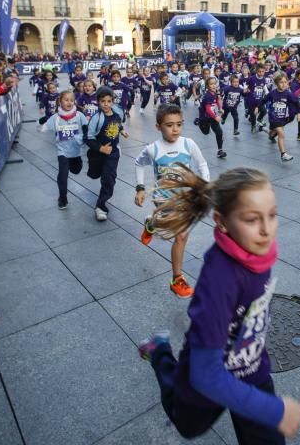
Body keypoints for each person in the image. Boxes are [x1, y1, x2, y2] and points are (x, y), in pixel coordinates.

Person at [138, 166, 300, 445]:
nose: (266, 229)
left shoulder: (258, 248)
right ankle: (160, 353)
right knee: (188, 426)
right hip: (207, 380)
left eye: (272, 216)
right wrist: (275, 411)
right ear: (223, 222)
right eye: (252, 219)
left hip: (252, 372)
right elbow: (205, 374)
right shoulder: (220, 279)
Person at [134, 104, 210, 299]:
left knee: (177, 233)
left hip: (185, 198)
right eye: (169, 125)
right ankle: (177, 279)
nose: (175, 129)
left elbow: (202, 164)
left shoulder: (188, 144)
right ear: (158, 126)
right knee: (182, 235)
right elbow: (138, 164)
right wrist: (140, 188)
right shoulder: (153, 149)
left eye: (179, 124)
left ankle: (150, 224)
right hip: (163, 200)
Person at [38, 90, 87, 209]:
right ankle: (62, 198)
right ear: (60, 102)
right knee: (63, 175)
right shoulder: (55, 118)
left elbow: (87, 128)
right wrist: (41, 121)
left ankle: (74, 164)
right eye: (66, 100)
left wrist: (85, 137)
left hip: (76, 151)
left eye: (71, 100)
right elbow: (41, 129)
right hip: (62, 152)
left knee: (76, 170)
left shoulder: (79, 115)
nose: (69, 102)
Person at [86, 86, 129, 221]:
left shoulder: (116, 114)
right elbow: (88, 138)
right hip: (98, 154)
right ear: (98, 101)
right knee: (95, 175)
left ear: (112, 102)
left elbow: (117, 124)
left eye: (109, 101)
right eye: (103, 101)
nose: (106, 104)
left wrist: (122, 131)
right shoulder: (96, 118)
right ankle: (96, 173)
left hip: (113, 153)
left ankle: (101, 206)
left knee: (109, 178)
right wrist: (100, 148)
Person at [265, 71, 297, 161]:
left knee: (273, 132)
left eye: (285, 82)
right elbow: (264, 100)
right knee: (281, 134)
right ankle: (283, 154)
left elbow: (295, 102)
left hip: (283, 117)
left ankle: (266, 130)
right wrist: (258, 108)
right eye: (281, 82)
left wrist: (298, 113)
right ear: (276, 83)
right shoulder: (272, 93)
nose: (284, 84)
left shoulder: (288, 93)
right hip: (273, 116)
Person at [199, 77, 227, 158]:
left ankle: (220, 151)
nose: (214, 85)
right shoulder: (207, 96)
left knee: (219, 132)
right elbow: (208, 109)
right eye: (211, 84)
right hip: (205, 118)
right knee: (206, 132)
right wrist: (215, 117)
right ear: (207, 86)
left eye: (214, 83)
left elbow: (217, 100)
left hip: (212, 116)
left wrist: (220, 108)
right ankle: (199, 123)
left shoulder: (215, 93)